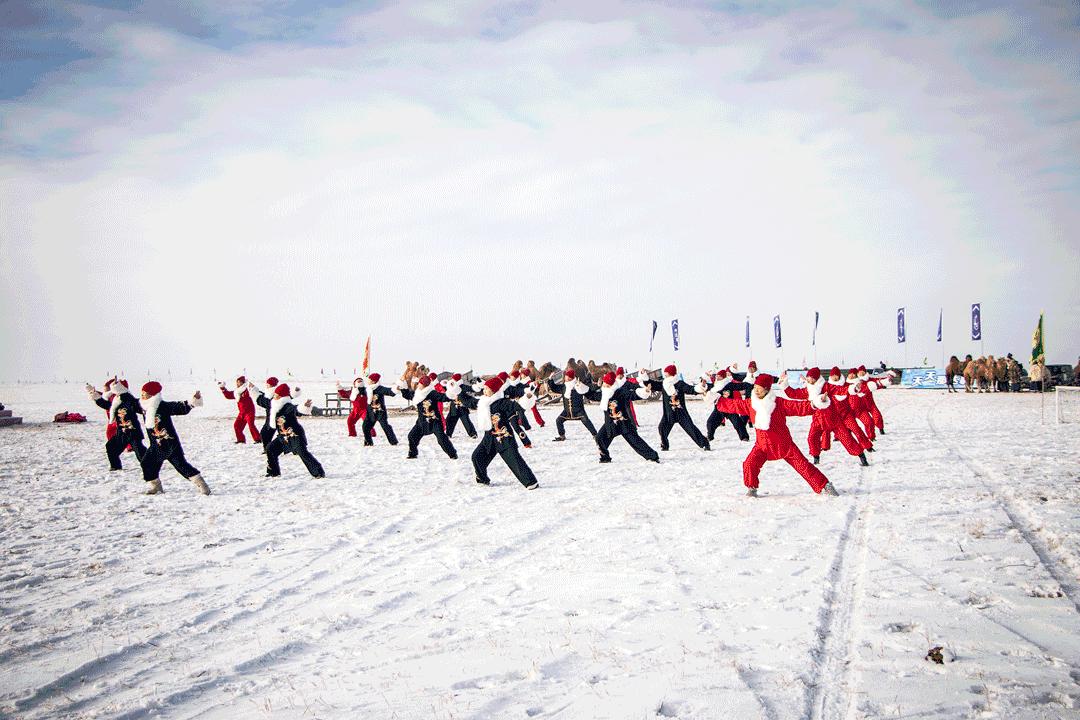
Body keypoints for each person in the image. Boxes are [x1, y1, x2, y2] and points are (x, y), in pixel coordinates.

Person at [713, 374, 839, 497]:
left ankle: (825, 485)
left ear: (767, 389)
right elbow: (734, 405)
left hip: (784, 445)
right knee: (749, 464)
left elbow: (798, 407)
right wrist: (714, 399)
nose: (756, 390)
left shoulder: (778, 403)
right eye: (755, 387)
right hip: (762, 446)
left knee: (803, 466)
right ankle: (751, 488)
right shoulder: (751, 403)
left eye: (759, 388)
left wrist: (816, 403)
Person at [782, 368, 868, 466]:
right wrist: (785, 385)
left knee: (847, 439)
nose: (809, 380)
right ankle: (816, 458)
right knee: (812, 438)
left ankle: (861, 455)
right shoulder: (808, 389)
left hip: (833, 419)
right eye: (808, 378)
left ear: (816, 378)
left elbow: (840, 390)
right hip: (817, 420)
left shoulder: (826, 386)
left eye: (810, 378)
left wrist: (854, 388)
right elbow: (794, 394)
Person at [139, 381, 210, 495]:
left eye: (145, 393)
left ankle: (202, 484)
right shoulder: (143, 406)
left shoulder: (162, 406)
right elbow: (128, 401)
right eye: (142, 393)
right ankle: (156, 486)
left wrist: (193, 401)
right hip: (156, 445)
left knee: (181, 466)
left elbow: (179, 407)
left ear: (152, 394)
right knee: (147, 462)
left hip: (170, 445)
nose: (142, 395)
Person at [471, 376, 540, 489]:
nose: (484, 391)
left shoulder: (502, 402)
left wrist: (528, 396)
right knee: (477, 457)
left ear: (493, 391)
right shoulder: (483, 403)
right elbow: (470, 402)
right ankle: (482, 479)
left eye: (487, 389)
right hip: (489, 439)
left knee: (515, 462)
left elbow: (517, 405)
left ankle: (531, 482)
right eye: (484, 388)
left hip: (504, 438)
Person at [642, 365, 710, 452]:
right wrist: (644, 376)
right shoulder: (664, 384)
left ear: (670, 374)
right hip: (668, 413)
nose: (665, 375)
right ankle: (665, 445)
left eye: (666, 373)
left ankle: (705, 443)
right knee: (662, 428)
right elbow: (652, 384)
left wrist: (701, 386)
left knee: (691, 429)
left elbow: (691, 390)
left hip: (681, 412)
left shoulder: (679, 383)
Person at [596, 371, 659, 464]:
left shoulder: (620, 392)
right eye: (604, 384)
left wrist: (644, 391)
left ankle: (653, 456)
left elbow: (632, 394)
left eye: (606, 384)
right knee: (600, 438)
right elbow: (593, 395)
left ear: (611, 384)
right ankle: (605, 457)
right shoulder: (604, 393)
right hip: (610, 423)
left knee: (635, 441)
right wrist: (580, 388)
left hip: (624, 423)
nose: (604, 385)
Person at [265, 383, 324, 478]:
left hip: (295, 435)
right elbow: (262, 400)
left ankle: (319, 473)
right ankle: (273, 472)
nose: (274, 396)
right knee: (270, 449)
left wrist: (304, 406)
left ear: (281, 396)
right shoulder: (275, 405)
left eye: (276, 394)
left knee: (303, 453)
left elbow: (296, 409)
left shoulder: (287, 406)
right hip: (283, 436)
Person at [86, 378, 147, 470]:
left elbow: (138, 406)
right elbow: (107, 405)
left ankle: (150, 465)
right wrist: (95, 396)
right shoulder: (116, 400)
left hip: (132, 432)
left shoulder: (128, 399)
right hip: (121, 433)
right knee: (110, 447)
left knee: (140, 452)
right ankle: (115, 466)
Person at [399, 375, 457, 459]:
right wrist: (402, 386)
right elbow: (407, 395)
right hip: (421, 421)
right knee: (412, 436)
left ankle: (453, 454)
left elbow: (443, 397)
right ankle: (413, 454)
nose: (418, 384)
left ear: (424, 385)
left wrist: (451, 392)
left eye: (420, 383)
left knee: (442, 439)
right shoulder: (417, 393)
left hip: (434, 421)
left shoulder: (432, 393)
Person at [548, 369, 599, 442]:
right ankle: (562, 436)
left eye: (566, 376)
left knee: (586, 421)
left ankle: (595, 435)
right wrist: (550, 379)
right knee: (558, 420)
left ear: (569, 377)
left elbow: (589, 389)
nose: (565, 377)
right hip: (567, 411)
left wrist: (598, 386)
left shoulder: (579, 385)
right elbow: (554, 388)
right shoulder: (564, 387)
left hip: (579, 411)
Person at [704, 369, 752, 442]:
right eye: (717, 376)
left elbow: (740, 385)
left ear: (723, 377)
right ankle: (710, 436)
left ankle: (744, 437)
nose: (717, 377)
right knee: (710, 422)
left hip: (729, 408)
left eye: (719, 376)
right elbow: (707, 388)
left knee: (738, 423)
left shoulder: (728, 384)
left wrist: (752, 385)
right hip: (719, 408)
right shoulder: (715, 386)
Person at [218, 375, 260, 444]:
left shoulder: (247, 390)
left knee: (251, 425)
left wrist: (250, 386)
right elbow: (228, 395)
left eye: (239, 382)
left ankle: (258, 439)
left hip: (249, 411)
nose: (237, 384)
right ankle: (241, 440)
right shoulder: (237, 392)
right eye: (237, 382)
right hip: (242, 413)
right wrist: (222, 388)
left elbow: (252, 391)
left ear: (243, 383)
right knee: (237, 426)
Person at [360, 373, 399, 445]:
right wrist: (359, 386)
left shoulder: (379, 388)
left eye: (369, 379)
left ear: (373, 381)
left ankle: (393, 442)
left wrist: (396, 389)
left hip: (380, 412)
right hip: (370, 413)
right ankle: (368, 442)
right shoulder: (368, 389)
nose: (368, 380)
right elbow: (362, 391)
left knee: (385, 427)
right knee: (365, 427)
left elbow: (390, 392)